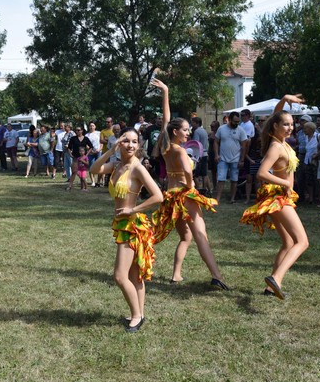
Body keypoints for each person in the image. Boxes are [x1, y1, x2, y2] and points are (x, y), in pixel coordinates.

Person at [151, 79, 229, 290]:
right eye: (185, 130)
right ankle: (217, 276)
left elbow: (166, 120)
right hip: (185, 196)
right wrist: (191, 186)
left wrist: (166, 91)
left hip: (171, 196)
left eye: (188, 130)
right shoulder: (179, 150)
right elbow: (187, 170)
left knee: (186, 237)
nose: (188, 132)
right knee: (201, 236)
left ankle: (176, 274)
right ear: (176, 132)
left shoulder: (166, 146)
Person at [90, 127, 163, 333]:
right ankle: (138, 313)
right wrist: (110, 150)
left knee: (120, 276)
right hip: (122, 225)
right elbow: (94, 169)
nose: (130, 145)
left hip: (133, 226)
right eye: (126, 141)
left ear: (139, 145)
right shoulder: (116, 166)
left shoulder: (137, 168)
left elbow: (158, 196)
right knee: (134, 275)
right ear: (119, 143)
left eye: (134, 141)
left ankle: (137, 316)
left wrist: (133, 209)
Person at [240, 94, 309, 300]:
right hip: (278, 198)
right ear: (275, 127)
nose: (290, 127)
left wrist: (285, 99)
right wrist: (286, 183)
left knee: (288, 242)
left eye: (292, 124)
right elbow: (262, 173)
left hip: (280, 197)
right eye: (285, 124)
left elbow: (275, 115)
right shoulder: (276, 146)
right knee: (302, 242)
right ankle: (276, 279)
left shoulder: (281, 141)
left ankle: (270, 289)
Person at [214, 111, 248, 204]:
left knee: (234, 179)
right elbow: (216, 142)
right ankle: (217, 199)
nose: (236, 123)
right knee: (221, 179)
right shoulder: (221, 129)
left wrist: (242, 160)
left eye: (238, 122)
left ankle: (232, 198)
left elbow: (244, 146)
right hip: (222, 159)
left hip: (235, 159)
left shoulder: (241, 130)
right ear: (229, 119)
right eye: (235, 121)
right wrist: (216, 154)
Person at [66, 126, 93, 190]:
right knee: (74, 172)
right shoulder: (73, 138)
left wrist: (86, 155)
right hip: (75, 158)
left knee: (82, 173)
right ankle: (70, 185)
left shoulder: (86, 138)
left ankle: (83, 186)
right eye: (76, 130)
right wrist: (70, 154)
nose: (77, 131)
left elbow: (91, 147)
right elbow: (69, 147)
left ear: (82, 131)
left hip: (83, 159)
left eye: (78, 130)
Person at [86, 121, 102, 186]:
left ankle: (98, 181)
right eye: (90, 126)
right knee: (91, 167)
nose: (91, 127)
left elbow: (101, 143)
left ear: (95, 126)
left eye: (93, 126)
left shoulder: (99, 133)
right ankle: (93, 181)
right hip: (90, 153)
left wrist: (99, 149)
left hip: (98, 152)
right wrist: (90, 150)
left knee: (100, 166)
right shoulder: (87, 135)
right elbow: (86, 145)